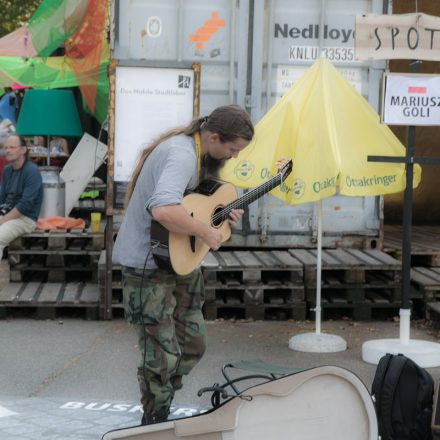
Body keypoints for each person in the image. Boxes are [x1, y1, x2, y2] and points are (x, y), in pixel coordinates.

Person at [112, 104, 254, 425]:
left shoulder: (198, 152)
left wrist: (219, 214)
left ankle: (161, 393)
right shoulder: (182, 154)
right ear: (214, 137)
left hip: (179, 259)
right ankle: (155, 418)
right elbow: (163, 210)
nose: (233, 157)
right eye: (231, 149)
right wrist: (205, 230)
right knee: (160, 355)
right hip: (148, 263)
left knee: (193, 343)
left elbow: (191, 204)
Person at [0, 134, 43, 260]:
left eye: (12, 147)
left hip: (25, 219)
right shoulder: (7, 170)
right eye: (6, 147)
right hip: (7, 214)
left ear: (23, 150)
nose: (7, 150)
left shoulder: (32, 171)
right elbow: (2, 198)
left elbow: (25, 205)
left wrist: (2, 220)